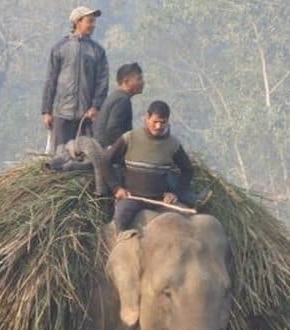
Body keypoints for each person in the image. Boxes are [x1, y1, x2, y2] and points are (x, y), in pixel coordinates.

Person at [107, 100, 194, 232]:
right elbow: (105, 161)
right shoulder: (130, 138)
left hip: (160, 200)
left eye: (163, 122)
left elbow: (188, 169)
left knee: (188, 220)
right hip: (132, 197)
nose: (158, 126)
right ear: (146, 118)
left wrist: (174, 193)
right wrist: (116, 188)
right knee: (120, 218)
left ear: (168, 121)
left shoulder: (173, 144)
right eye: (155, 121)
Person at [41, 6, 109, 149]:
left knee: (83, 157)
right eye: (89, 21)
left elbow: (102, 82)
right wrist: (47, 111)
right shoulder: (60, 48)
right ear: (78, 22)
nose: (93, 25)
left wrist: (95, 106)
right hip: (62, 114)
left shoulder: (97, 51)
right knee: (59, 156)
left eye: (94, 22)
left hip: (86, 116)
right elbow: (50, 81)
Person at [94, 62, 144, 147]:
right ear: (126, 82)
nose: (142, 82)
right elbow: (113, 131)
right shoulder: (122, 100)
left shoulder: (116, 96)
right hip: (107, 152)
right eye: (139, 79)